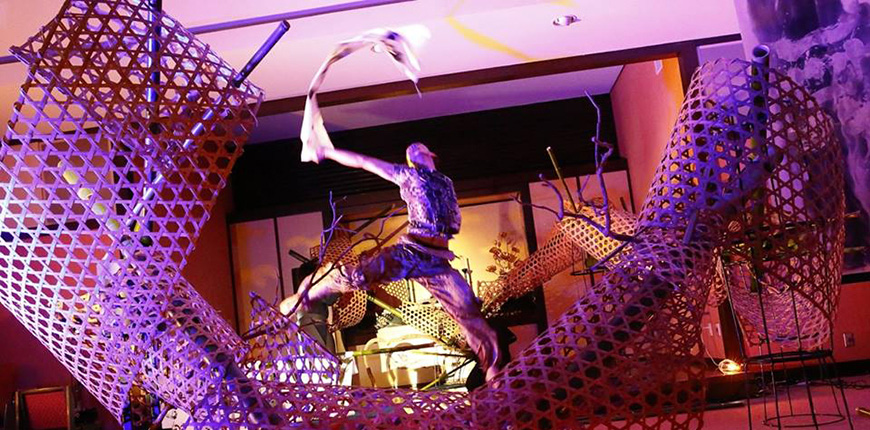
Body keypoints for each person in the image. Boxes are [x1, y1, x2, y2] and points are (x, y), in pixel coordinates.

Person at [280, 142, 502, 381]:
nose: (411, 153)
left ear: (431, 155)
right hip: (412, 251)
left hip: (437, 261)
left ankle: (493, 370)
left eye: (416, 150)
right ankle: (309, 291)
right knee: (361, 275)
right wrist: (327, 152)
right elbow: (364, 162)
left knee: (467, 308)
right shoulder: (409, 175)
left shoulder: (444, 182)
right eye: (409, 154)